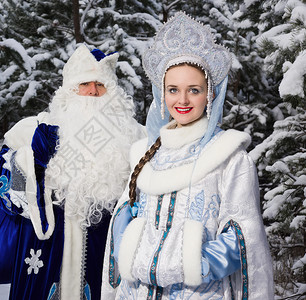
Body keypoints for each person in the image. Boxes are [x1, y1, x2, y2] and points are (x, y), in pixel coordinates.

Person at [0, 44, 145, 300]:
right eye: (85, 84)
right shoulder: (34, 128)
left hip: (104, 250)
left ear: (112, 92)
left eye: (101, 85)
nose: (92, 92)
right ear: (69, 90)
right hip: (42, 250)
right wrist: (31, 164)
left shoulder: (134, 136)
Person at [101, 12, 275, 299]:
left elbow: (243, 236)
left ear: (209, 95)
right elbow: (122, 220)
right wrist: (133, 255)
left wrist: (195, 263)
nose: (182, 100)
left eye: (193, 90)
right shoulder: (145, 154)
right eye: (173, 90)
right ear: (162, 94)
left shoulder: (229, 157)